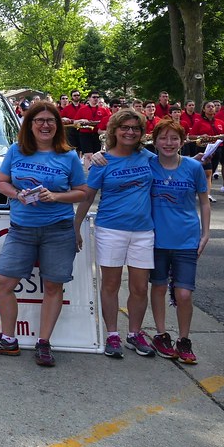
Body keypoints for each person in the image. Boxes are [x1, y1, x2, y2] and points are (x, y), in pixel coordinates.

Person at [0, 103, 87, 366]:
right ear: (29, 124)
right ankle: (8, 339)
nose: (45, 125)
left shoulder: (68, 156)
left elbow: (82, 191)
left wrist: (57, 196)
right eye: (39, 120)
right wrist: (17, 194)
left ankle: (44, 343)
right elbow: (1, 183)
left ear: (58, 125)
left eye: (50, 120)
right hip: (22, 230)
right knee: (2, 283)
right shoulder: (16, 151)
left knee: (52, 286)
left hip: (58, 230)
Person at [75, 108, 155, 359]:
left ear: (141, 133)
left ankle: (134, 333)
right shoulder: (102, 161)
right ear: (114, 131)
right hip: (111, 229)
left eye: (135, 128)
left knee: (140, 287)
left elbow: (173, 160)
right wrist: (75, 226)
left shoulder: (149, 158)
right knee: (110, 284)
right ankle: (112, 334)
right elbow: (88, 196)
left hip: (143, 231)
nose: (130, 132)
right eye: (125, 127)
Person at [145, 119, 209, 364]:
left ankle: (184, 338)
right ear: (155, 141)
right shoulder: (148, 164)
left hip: (186, 239)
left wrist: (206, 233)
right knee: (159, 287)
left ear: (183, 142)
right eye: (163, 138)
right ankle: (161, 334)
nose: (168, 143)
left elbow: (204, 201)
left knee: (183, 293)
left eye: (174, 139)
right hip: (155, 239)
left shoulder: (192, 167)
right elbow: (120, 154)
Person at [75, 90, 110, 155]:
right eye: (94, 97)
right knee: (88, 155)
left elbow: (108, 121)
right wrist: (82, 120)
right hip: (85, 134)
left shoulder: (103, 110)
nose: (96, 99)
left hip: (98, 135)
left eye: (97, 97)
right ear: (89, 98)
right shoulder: (82, 109)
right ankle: (87, 165)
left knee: (98, 154)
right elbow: (75, 122)